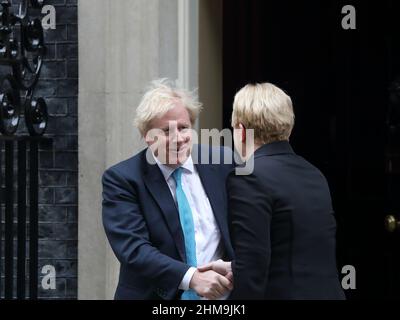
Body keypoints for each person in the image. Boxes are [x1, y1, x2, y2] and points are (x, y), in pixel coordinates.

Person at [200, 82, 345, 300]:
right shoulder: (314, 173)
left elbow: (253, 273)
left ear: (240, 131)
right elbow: (296, 254)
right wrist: (235, 267)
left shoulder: (249, 176)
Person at [102, 79, 234, 300]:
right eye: (166, 131)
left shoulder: (223, 163)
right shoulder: (123, 178)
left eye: (183, 128)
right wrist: (192, 278)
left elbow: (245, 229)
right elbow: (134, 249)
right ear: (147, 135)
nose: (178, 139)